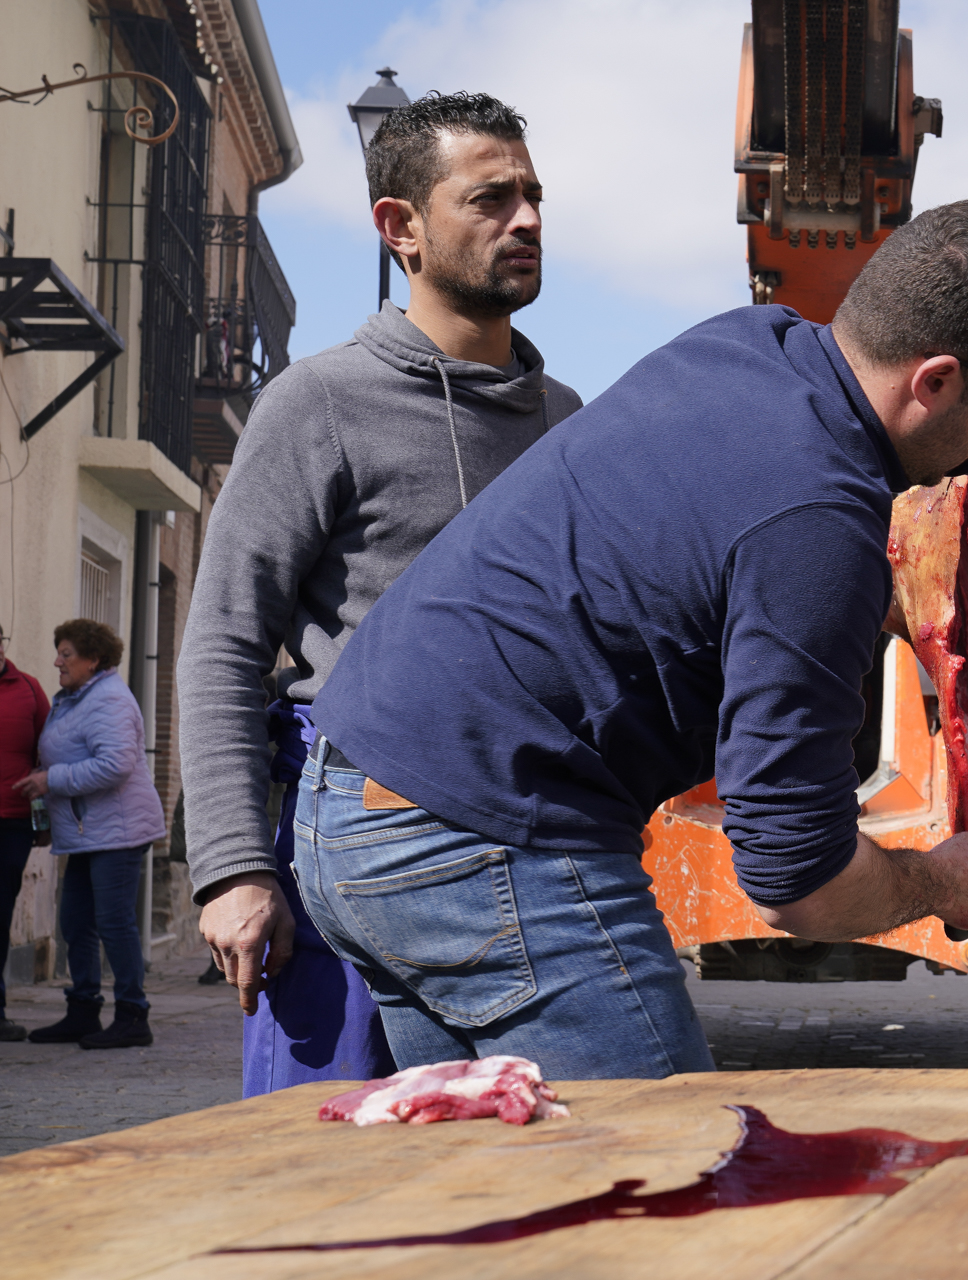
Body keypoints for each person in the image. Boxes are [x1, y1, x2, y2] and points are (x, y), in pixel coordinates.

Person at [297, 200, 968, 1079]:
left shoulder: (753, 345)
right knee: (663, 1185)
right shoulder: (819, 524)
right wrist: (942, 876)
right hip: (481, 840)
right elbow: (793, 882)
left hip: (351, 806)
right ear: (937, 381)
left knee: (506, 1184)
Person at [178, 90, 583, 1097]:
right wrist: (232, 867)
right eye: (490, 199)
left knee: (528, 1176)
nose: (526, 219)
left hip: (530, 862)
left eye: (532, 195)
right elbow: (225, 639)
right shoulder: (317, 403)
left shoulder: (569, 421)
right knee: (330, 1181)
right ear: (399, 227)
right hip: (345, 860)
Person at [16, 621, 166, 1049]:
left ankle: (133, 1016)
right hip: (86, 831)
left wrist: (51, 780)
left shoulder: (110, 700)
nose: (57, 661)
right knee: (76, 923)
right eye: (58, 652)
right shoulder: (74, 699)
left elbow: (115, 765)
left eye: (66, 653)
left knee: (114, 923)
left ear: (93, 659)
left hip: (118, 831)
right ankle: (82, 1012)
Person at [0, 627, 50, 1041]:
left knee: (1, 918)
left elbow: (47, 752)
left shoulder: (28, 689)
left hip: (11, 822)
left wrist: (42, 821)